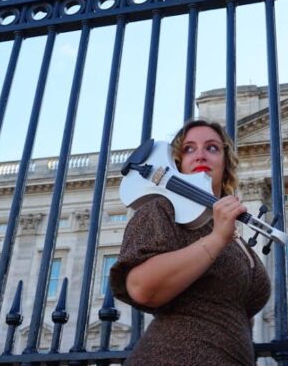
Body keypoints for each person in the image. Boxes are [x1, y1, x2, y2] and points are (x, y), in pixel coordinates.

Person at [109, 118, 271, 365]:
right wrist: (216, 239)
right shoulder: (163, 208)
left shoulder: (229, 230)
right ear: (178, 162)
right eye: (189, 149)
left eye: (212, 148)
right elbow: (141, 287)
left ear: (226, 162)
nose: (200, 155)